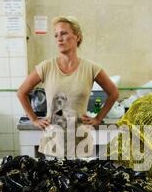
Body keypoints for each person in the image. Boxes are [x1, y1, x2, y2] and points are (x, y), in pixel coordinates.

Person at [17, 16, 119, 157]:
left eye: (64, 33)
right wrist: (34, 119)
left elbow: (113, 93)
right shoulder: (46, 67)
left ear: (77, 37)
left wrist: (98, 119)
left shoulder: (91, 68)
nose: (59, 38)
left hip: (80, 142)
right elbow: (21, 92)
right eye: (56, 35)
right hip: (53, 143)